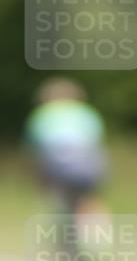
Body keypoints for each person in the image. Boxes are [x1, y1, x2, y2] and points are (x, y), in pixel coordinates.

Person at [25, 77, 108, 216]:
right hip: (88, 163)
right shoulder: (86, 112)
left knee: (56, 197)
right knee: (89, 199)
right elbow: (97, 143)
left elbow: (33, 149)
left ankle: (60, 225)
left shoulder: (43, 113)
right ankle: (98, 230)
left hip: (55, 162)